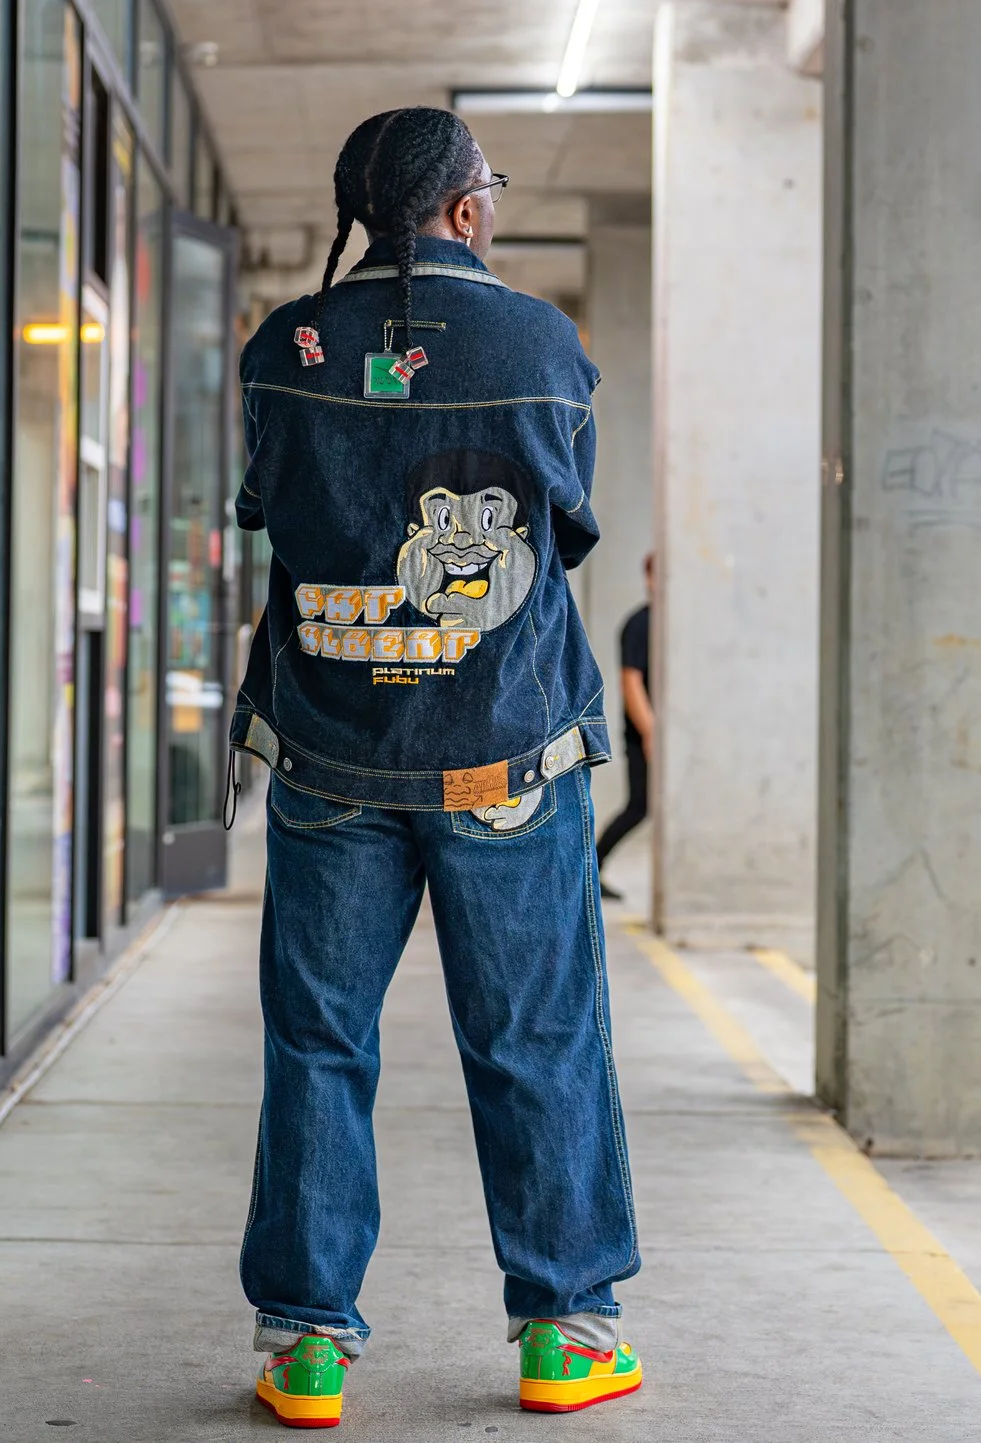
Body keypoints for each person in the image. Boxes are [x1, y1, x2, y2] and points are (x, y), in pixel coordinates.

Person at [227, 107, 643, 1426]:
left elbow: (272, 517)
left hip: (333, 751)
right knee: (534, 1037)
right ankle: (563, 1334)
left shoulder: (281, 348)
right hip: (502, 753)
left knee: (318, 1039)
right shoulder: (539, 344)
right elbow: (564, 527)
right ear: (465, 209)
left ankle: (305, 1342)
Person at [593, 554, 654, 897]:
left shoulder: (673, 623)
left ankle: (594, 866)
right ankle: (593, 866)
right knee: (639, 806)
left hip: (666, 735)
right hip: (645, 735)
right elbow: (630, 682)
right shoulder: (641, 624)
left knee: (644, 807)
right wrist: (650, 732)